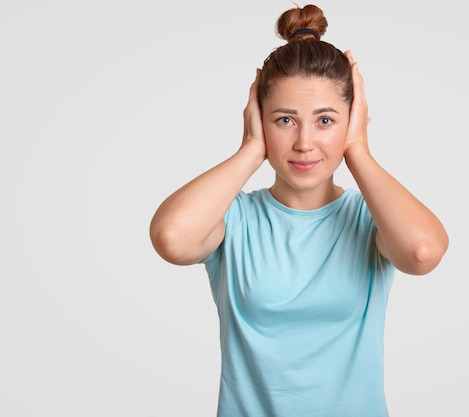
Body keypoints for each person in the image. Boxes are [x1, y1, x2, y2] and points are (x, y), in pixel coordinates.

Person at [150, 4, 448, 416]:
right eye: (285, 120)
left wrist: (358, 149)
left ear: (351, 120)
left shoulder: (370, 218)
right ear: (258, 117)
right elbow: (171, 238)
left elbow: (423, 253)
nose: (305, 142)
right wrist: (251, 149)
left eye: (325, 120)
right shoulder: (234, 220)